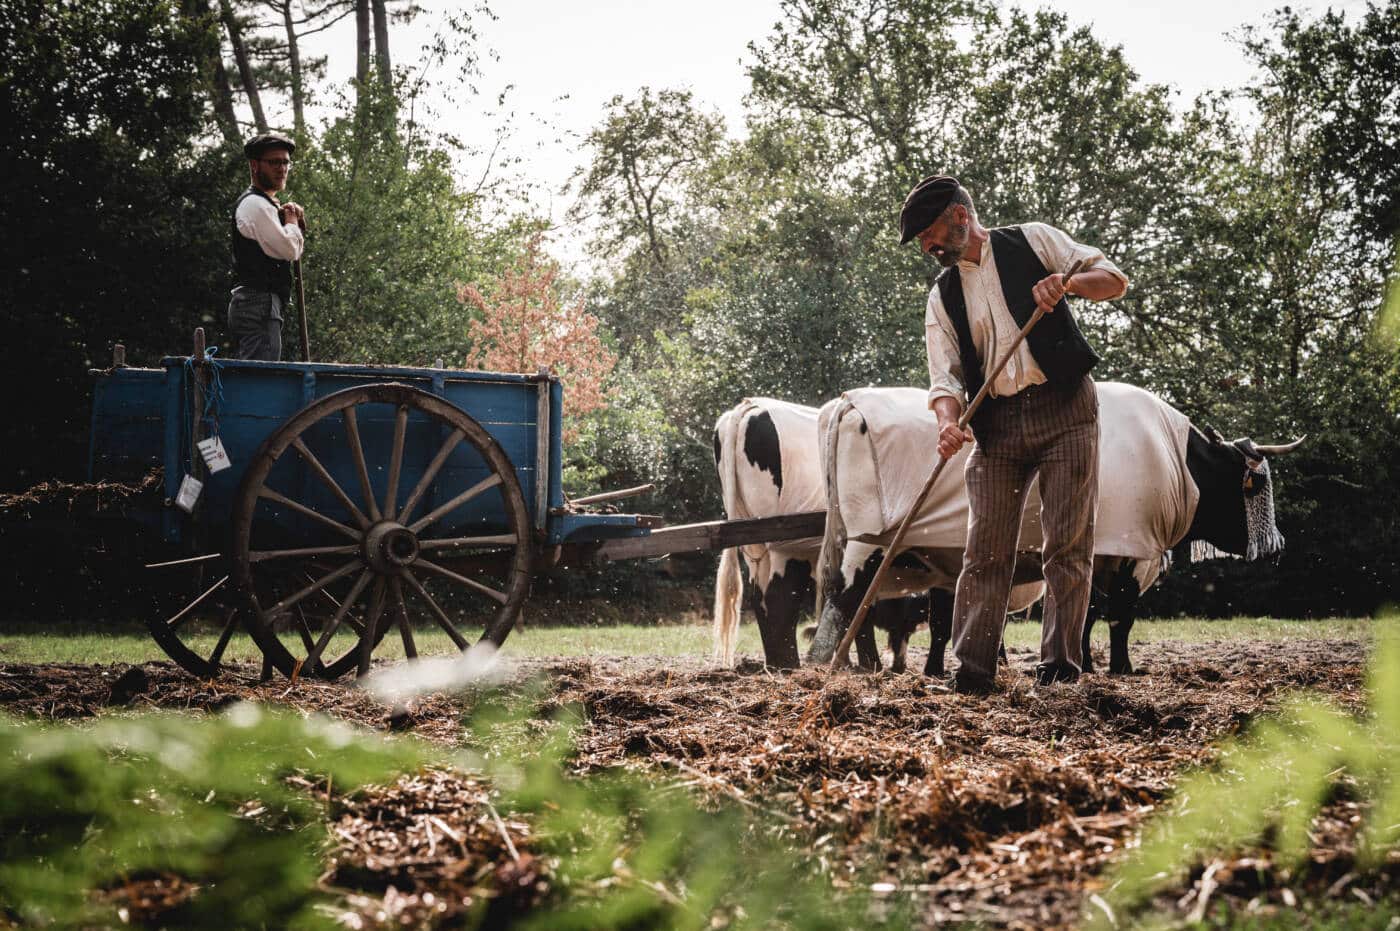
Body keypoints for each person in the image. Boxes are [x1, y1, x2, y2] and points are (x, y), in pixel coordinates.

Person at [899, 175, 1129, 694]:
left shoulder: (1034, 240)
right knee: (985, 550)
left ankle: (1061, 670)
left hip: (1066, 408)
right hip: (996, 426)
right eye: (920, 240)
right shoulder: (943, 294)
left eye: (929, 232)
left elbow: (1112, 279)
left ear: (960, 215)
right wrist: (947, 422)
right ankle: (973, 673)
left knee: (1066, 545)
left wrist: (1067, 284)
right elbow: (945, 377)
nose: (927, 246)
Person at [228, 132, 305, 361]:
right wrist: (291, 219)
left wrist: (284, 215)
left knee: (256, 378)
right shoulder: (255, 204)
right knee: (259, 381)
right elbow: (290, 249)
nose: (282, 168)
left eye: (285, 162)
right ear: (254, 165)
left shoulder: (264, 204)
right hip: (258, 303)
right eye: (274, 162)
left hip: (257, 303)